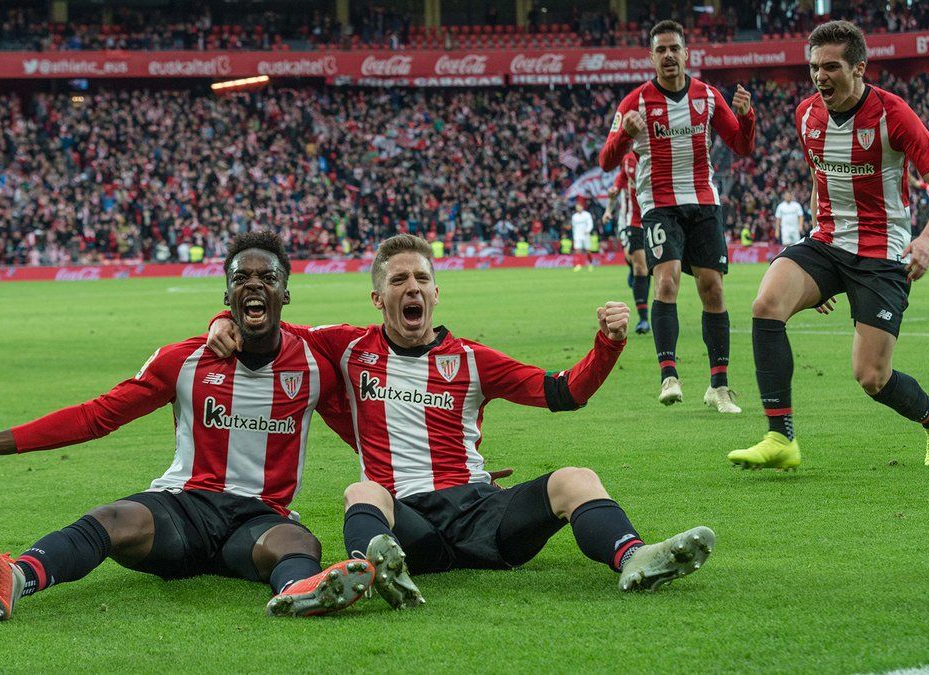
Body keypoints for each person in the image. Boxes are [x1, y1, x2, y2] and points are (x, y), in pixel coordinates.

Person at [208, 234, 715, 603]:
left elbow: (564, 392)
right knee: (362, 491)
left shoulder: (471, 358)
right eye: (399, 280)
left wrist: (608, 344)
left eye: (422, 279)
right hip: (407, 521)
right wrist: (222, 321)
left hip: (480, 515)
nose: (413, 288)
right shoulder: (346, 347)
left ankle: (634, 559)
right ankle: (375, 573)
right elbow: (266, 324)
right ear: (378, 298)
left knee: (575, 479)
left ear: (435, 293)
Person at [0, 232, 379, 621]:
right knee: (114, 517)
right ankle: (13, 579)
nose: (253, 285)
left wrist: (400, 486)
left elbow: (361, 434)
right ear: (226, 295)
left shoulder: (315, 364)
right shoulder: (184, 359)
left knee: (298, 541)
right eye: (241, 278)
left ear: (285, 293)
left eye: (267, 278)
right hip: (183, 510)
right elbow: (96, 416)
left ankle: (301, 592)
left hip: (259, 521)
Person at [728, 21, 929, 469]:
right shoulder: (807, 114)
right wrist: (814, 275)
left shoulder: (893, 113)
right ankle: (780, 437)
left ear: (859, 68)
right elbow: (818, 178)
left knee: (872, 378)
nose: (820, 76)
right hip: (826, 241)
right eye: (813, 68)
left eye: (831, 67)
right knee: (766, 303)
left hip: (883, 252)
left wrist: (927, 239)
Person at [599, 20, 755, 413]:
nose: (669, 56)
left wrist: (747, 117)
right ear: (651, 57)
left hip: (704, 200)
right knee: (665, 281)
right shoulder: (633, 103)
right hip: (658, 204)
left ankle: (719, 386)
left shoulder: (707, 96)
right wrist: (623, 136)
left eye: (675, 48)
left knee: (713, 289)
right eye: (661, 50)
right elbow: (606, 161)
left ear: (686, 53)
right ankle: (669, 375)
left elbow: (740, 146)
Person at [604, 151, 651, 333]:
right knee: (640, 266)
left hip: (656, 217)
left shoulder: (660, 150)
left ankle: (635, 271)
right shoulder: (628, 159)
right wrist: (608, 210)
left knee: (648, 269)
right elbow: (615, 188)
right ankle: (643, 320)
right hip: (632, 221)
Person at [571, 200, 595, 271]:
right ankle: (578, 265)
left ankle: (590, 264)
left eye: (579, 207)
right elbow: (573, 227)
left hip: (585, 234)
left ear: (582, 207)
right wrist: (574, 235)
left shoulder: (587, 215)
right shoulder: (574, 216)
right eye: (577, 207)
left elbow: (590, 224)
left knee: (588, 250)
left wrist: (588, 230)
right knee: (577, 250)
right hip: (577, 235)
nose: (578, 208)